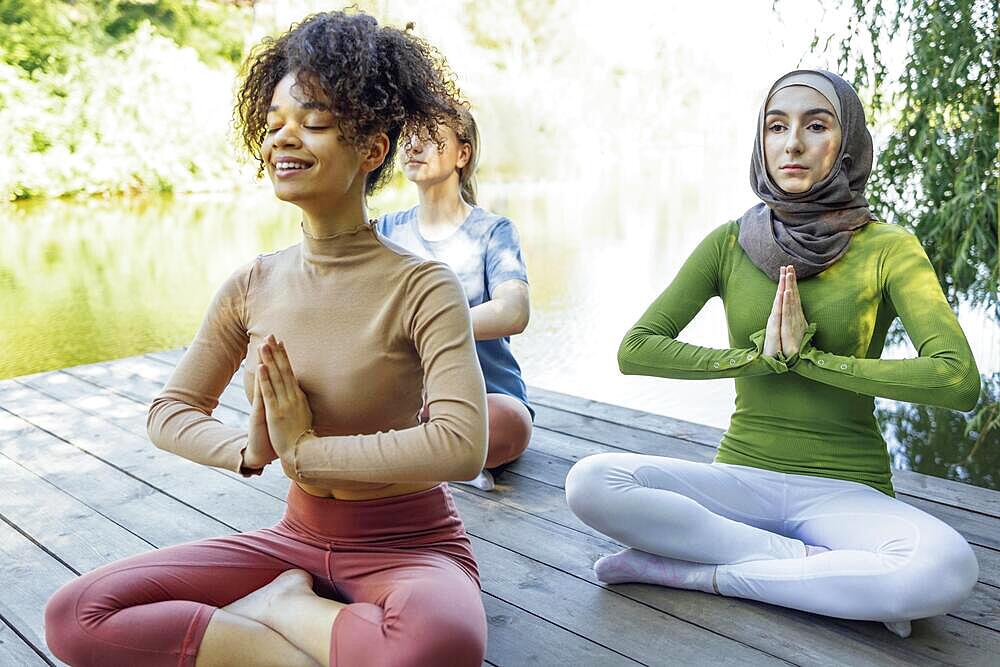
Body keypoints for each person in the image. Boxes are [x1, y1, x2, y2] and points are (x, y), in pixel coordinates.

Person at [44, 11, 489, 666]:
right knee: (75, 613)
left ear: (371, 149)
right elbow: (170, 411)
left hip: (410, 546)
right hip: (296, 537)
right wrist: (250, 450)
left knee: (441, 644)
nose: (284, 139)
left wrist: (306, 453)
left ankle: (287, 607)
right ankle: (289, 637)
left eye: (312, 123)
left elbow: (461, 443)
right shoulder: (252, 283)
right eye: (275, 122)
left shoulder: (423, 285)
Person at [564, 69, 981, 638]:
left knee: (948, 567)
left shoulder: (888, 248)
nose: (792, 143)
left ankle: (702, 575)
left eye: (816, 126)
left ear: (847, 143)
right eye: (776, 126)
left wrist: (816, 362)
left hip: (847, 492)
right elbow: (636, 351)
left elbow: (958, 381)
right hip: (740, 478)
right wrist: (751, 360)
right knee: (590, 481)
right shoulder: (730, 242)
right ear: (761, 141)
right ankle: (810, 572)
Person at [377, 106, 533, 491]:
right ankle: (443, 458)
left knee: (510, 423)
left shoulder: (494, 230)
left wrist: (431, 327)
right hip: (406, 400)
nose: (413, 144)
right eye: (408, 135)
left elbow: (514, 311)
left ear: (462, 154)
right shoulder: (383, 229)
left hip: (485, 397)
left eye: (429, 135)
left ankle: (423, 456)